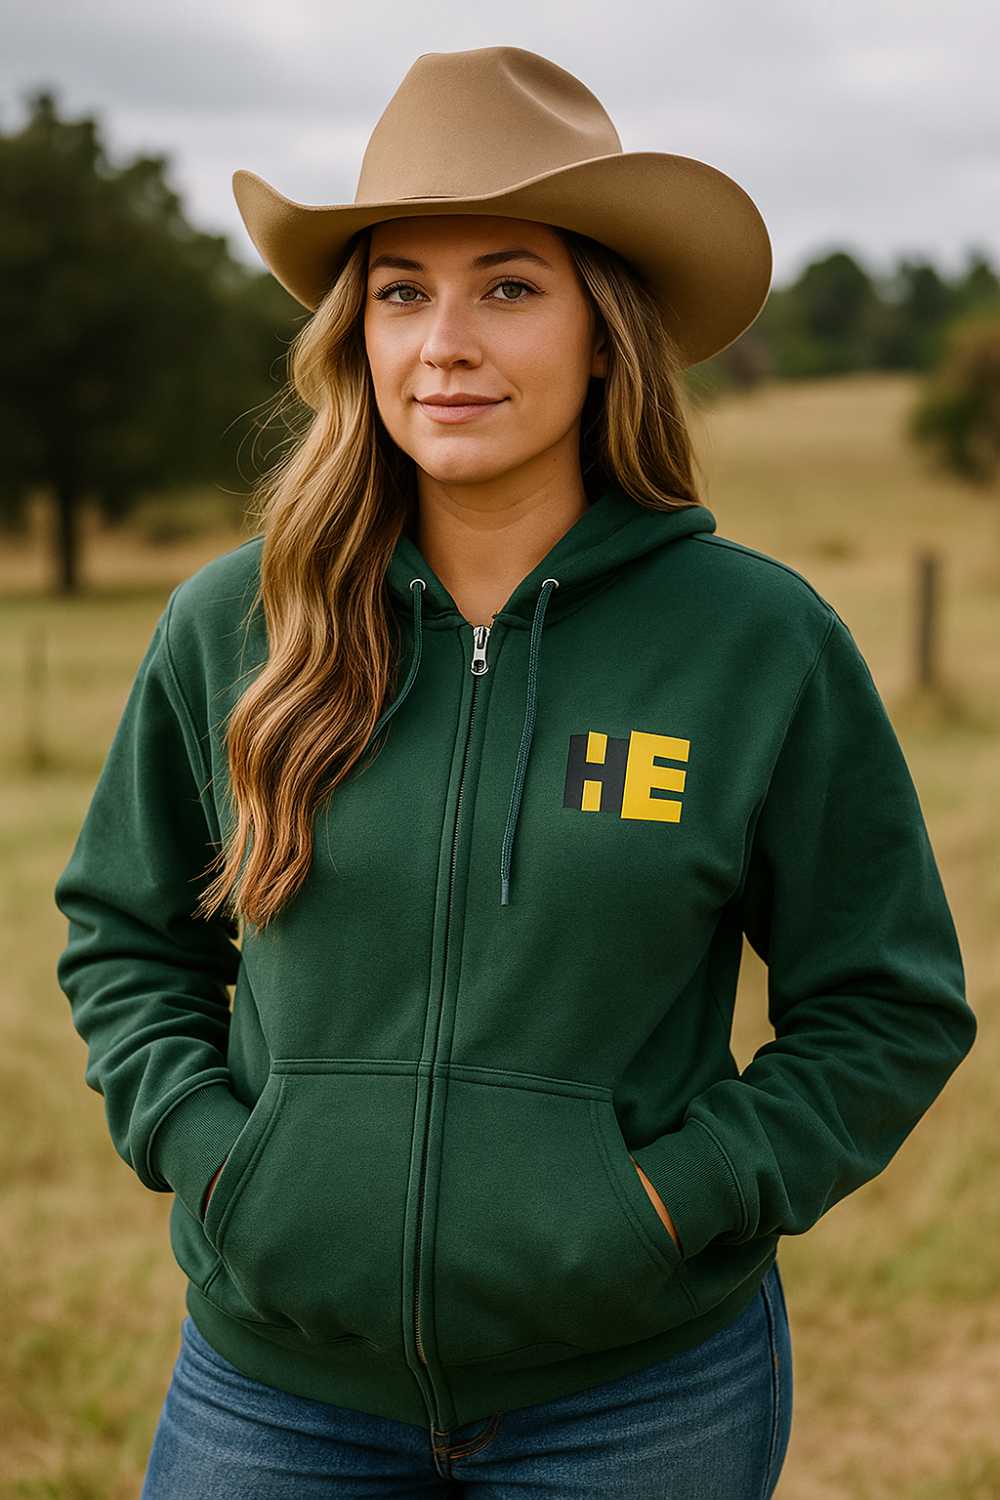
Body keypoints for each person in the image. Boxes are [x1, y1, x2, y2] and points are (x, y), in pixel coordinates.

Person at [53, 45, 976, 1499]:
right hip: (275, 1394)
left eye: (507, 288)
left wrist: (674, 1201)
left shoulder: (757, 644)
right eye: (400, 291)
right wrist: (217, 1157)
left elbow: (887, 1003)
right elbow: (125, 935)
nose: (443, 344)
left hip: (637, 1399)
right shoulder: (234, 625)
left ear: (605, 333)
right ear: (355, 331)